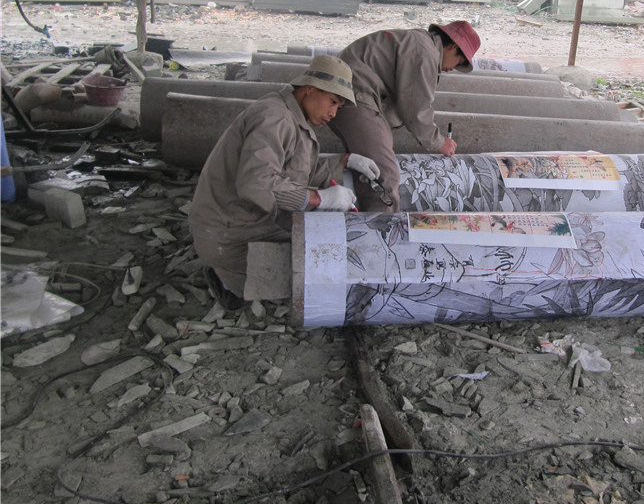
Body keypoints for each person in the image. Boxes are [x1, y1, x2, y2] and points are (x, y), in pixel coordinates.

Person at [189, 55, 380, 307]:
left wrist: (345, 161)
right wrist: (318, 198)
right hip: (229, 233)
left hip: (248, 221)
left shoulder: (294, 117)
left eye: (339, 106)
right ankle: (226, 280)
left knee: (321, 249)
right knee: (314, 268)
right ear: (309, 88)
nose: (333, 113)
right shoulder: (274, 117)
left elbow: (297, 172)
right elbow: (256, 184)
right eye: (332, 101)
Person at [330, 20, 481, 212]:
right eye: (459, 61)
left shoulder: (420, 43)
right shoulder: (425, 53)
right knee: (385, 174)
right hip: (355, 95)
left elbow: (400, 104)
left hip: (352, 92)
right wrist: (438, 142)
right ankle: (382, 230)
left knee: (370, 165)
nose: (454, 68)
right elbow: (416, 108)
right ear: (452, 46)